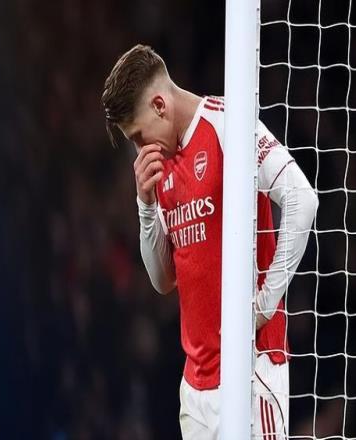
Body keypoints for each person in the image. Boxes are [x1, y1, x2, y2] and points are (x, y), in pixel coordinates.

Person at [101, 44, 318, 440]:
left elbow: (302, 199)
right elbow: (163, 280)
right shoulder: (159, 166)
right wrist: (145, 205)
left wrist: (265, 304)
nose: (140, 149)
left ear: (160, 106)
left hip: (252, 371)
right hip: (196, 389)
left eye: (138, 136)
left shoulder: (228, 124)